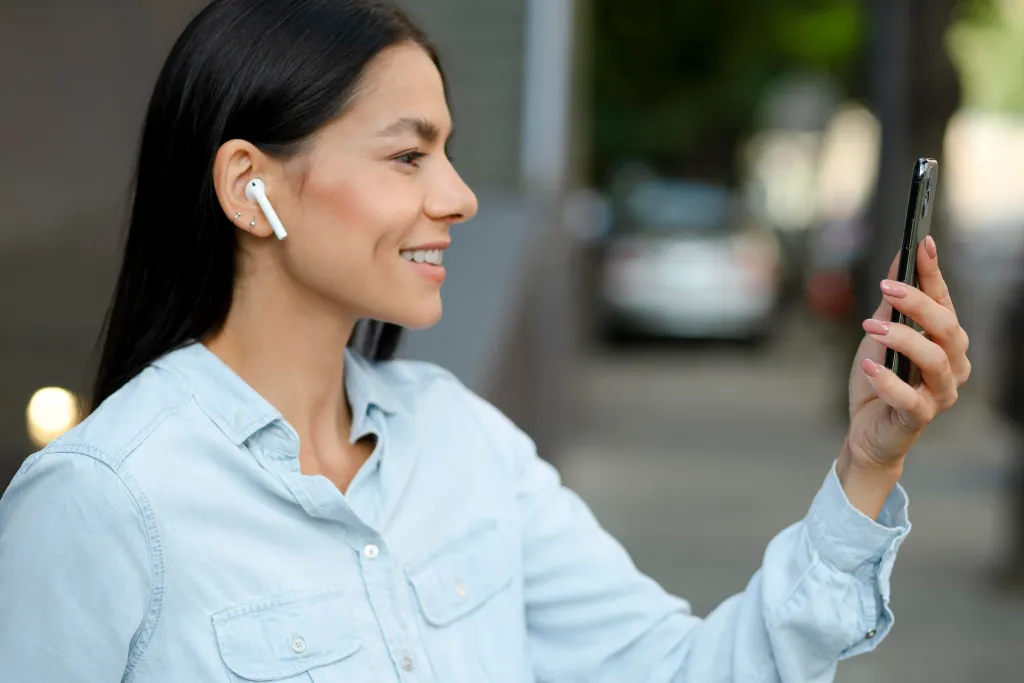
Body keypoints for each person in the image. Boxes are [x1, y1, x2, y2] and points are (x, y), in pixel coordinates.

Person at [0, 1, 972, 681]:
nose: (456, 195)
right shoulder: (103, 500)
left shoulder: (464, 441)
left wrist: (864, 463)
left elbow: (689, 671)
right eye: (408, 154)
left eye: (450, 152)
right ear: (248, 184)